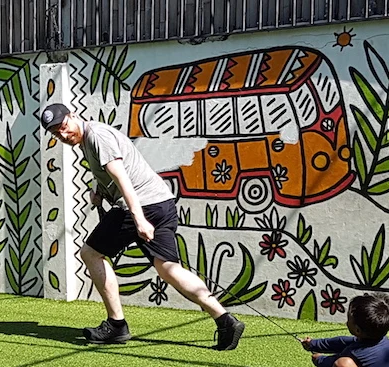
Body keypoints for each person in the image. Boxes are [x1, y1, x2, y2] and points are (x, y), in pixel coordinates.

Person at [41, 103, 245, 350]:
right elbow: (114, 170)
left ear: (73, 116)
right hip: (161, 203)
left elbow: (121, 177)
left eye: (63, 127)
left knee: (90, 253)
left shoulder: (96, 136)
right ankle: (225, 320)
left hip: (139, 207)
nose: (63, 135)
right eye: (56, 133)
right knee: (168, 268)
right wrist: (99, 190)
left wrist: (139, 219)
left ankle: (116, 326)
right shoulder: (91, 136)